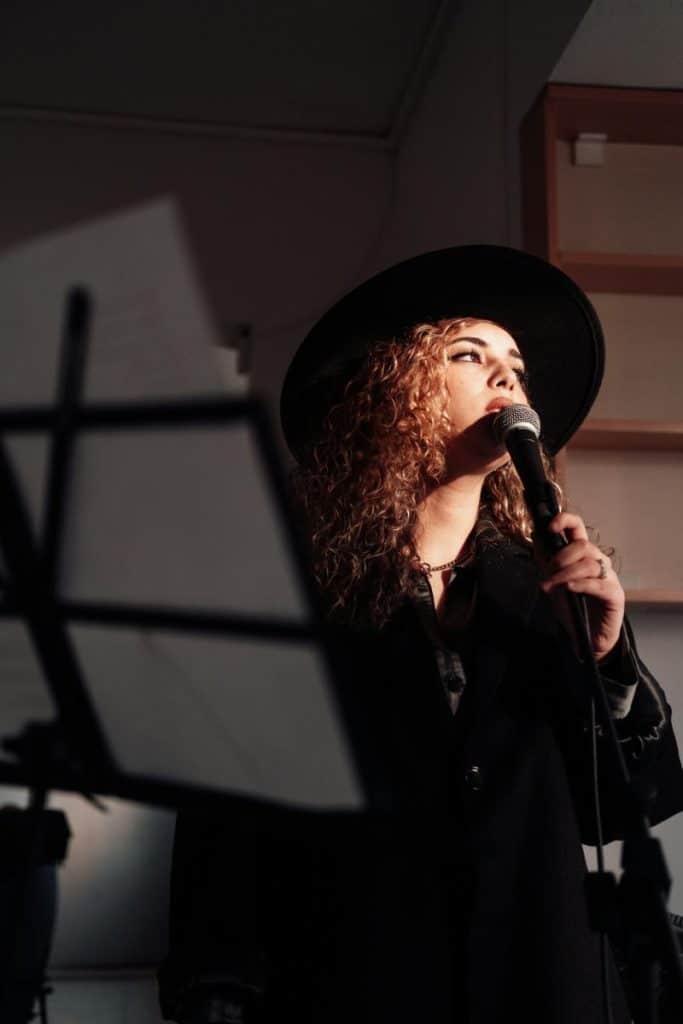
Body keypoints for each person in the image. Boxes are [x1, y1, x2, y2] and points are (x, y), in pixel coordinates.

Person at [160, 245, 683, 1024]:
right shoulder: (291, 591)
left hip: (539, 978)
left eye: (515, 364)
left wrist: (609, 659)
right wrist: (216, 992)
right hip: (355, 978)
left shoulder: (545, 587)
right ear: (391, 390)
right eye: (469, 353)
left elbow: (622, 809)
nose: (506, 376)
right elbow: (224, 840)